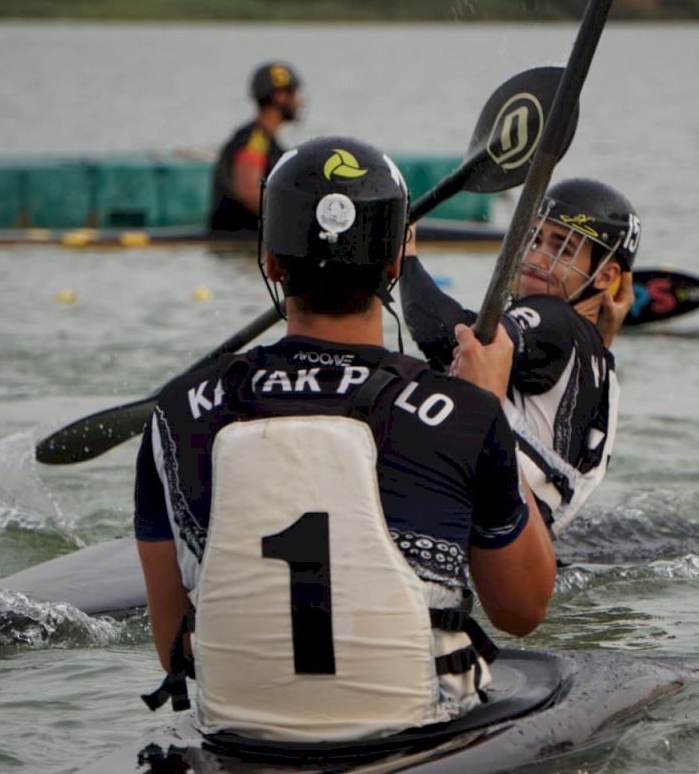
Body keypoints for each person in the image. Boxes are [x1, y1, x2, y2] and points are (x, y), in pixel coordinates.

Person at [135, 135, 555, 742]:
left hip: (240, 733)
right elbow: (523, 610)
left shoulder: (175, 413)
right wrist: (491, 405)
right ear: (394, 266)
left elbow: (174, 652)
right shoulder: (465, 413)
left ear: (272, 262)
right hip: (419, 732)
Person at [399, 178, 640, 535]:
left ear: (605, 275)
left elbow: (454, 338)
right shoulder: (595, 353)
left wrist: (404, 255)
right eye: (535, 239)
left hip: (494, 530)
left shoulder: (556, 317)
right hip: (529, 537)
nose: (535, 258)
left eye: (562, 248)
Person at [207, 60, 303, 232]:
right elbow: (248, 190)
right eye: (295, 93)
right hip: (237, 238)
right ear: (280, 96)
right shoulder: (256, 140)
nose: (299, 101)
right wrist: (298, 215)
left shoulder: (264, 140)